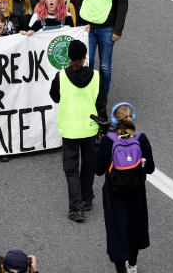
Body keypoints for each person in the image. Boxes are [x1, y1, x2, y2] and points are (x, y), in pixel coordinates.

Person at [49, 39, 106, 223]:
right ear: (84, 57)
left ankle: (76, 208)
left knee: (71, 169)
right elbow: (101, 103)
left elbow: (55, 97)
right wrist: (102, 125)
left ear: (69, 57)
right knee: (88, 166)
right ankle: (87, 199)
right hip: (90, 129)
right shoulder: (96, 76)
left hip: (70, 129)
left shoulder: (61, 76)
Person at [95, 103, 155, 273]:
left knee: (117, 231)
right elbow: (150, 168)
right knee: (134, 227)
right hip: (136, 192)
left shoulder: (108, 141)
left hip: (114, 194)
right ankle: (133, 265)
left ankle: (121, 269)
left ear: (114, 119)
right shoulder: (141, 139)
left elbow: (98, 170)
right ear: (132, 118)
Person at [77, 0, 127, 97]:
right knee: (88, 63)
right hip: (88, 26)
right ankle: (88, 95)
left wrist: (118, 30)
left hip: (107, 29)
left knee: (105, 66)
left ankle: (102, 96)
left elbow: (122, 4)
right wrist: (79, 22)